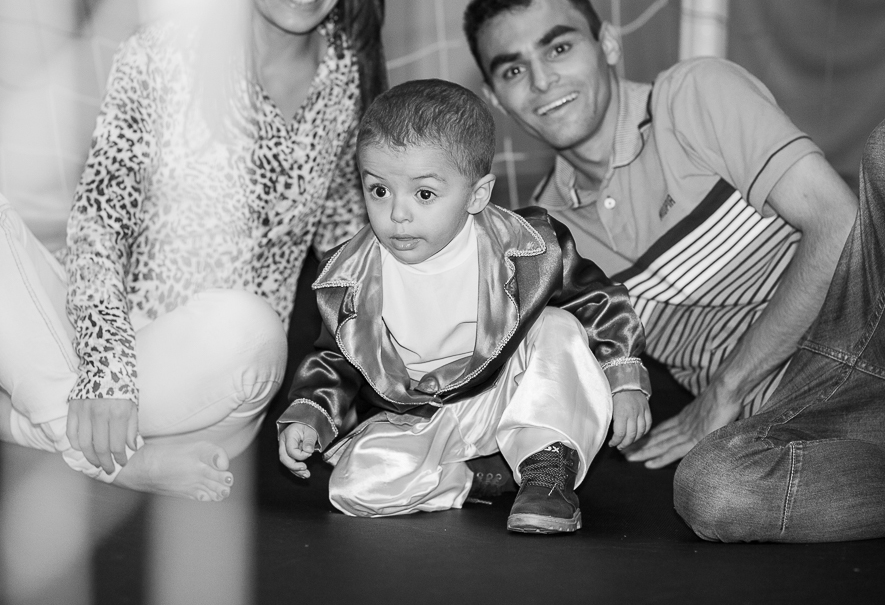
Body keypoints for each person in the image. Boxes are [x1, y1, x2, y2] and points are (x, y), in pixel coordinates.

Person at [0, 0, 386, 502]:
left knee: (250, 329)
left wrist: (370, 384)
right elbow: (98, 222)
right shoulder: (161, 54)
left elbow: (348, 256)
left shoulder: (349, 83)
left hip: (209, 384)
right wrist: (105, 373)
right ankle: (114, 459)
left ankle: (17, 420)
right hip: (82, 359)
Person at [462, 0, 885, 541]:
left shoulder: (692, 95)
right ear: (495, 98)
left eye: (559, 47)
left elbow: (837, 223)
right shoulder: (543, 237)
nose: (542, 80)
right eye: (513, 69)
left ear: (607, 43)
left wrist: (724, 390)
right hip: (808, 415)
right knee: (714, 490)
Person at [275, 79, 651, 533]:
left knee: (557, 327)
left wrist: (624, 378)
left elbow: (598, 300)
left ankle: (545, 468)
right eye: (379, 190)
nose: (397, 214)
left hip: (512, 392)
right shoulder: (351, 276)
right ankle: (472, 477)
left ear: (477, 195)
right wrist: (311, 414)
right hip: (426, 414)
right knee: (353, 487)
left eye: (424, 194)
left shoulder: (528, 248)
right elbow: (335, 359)